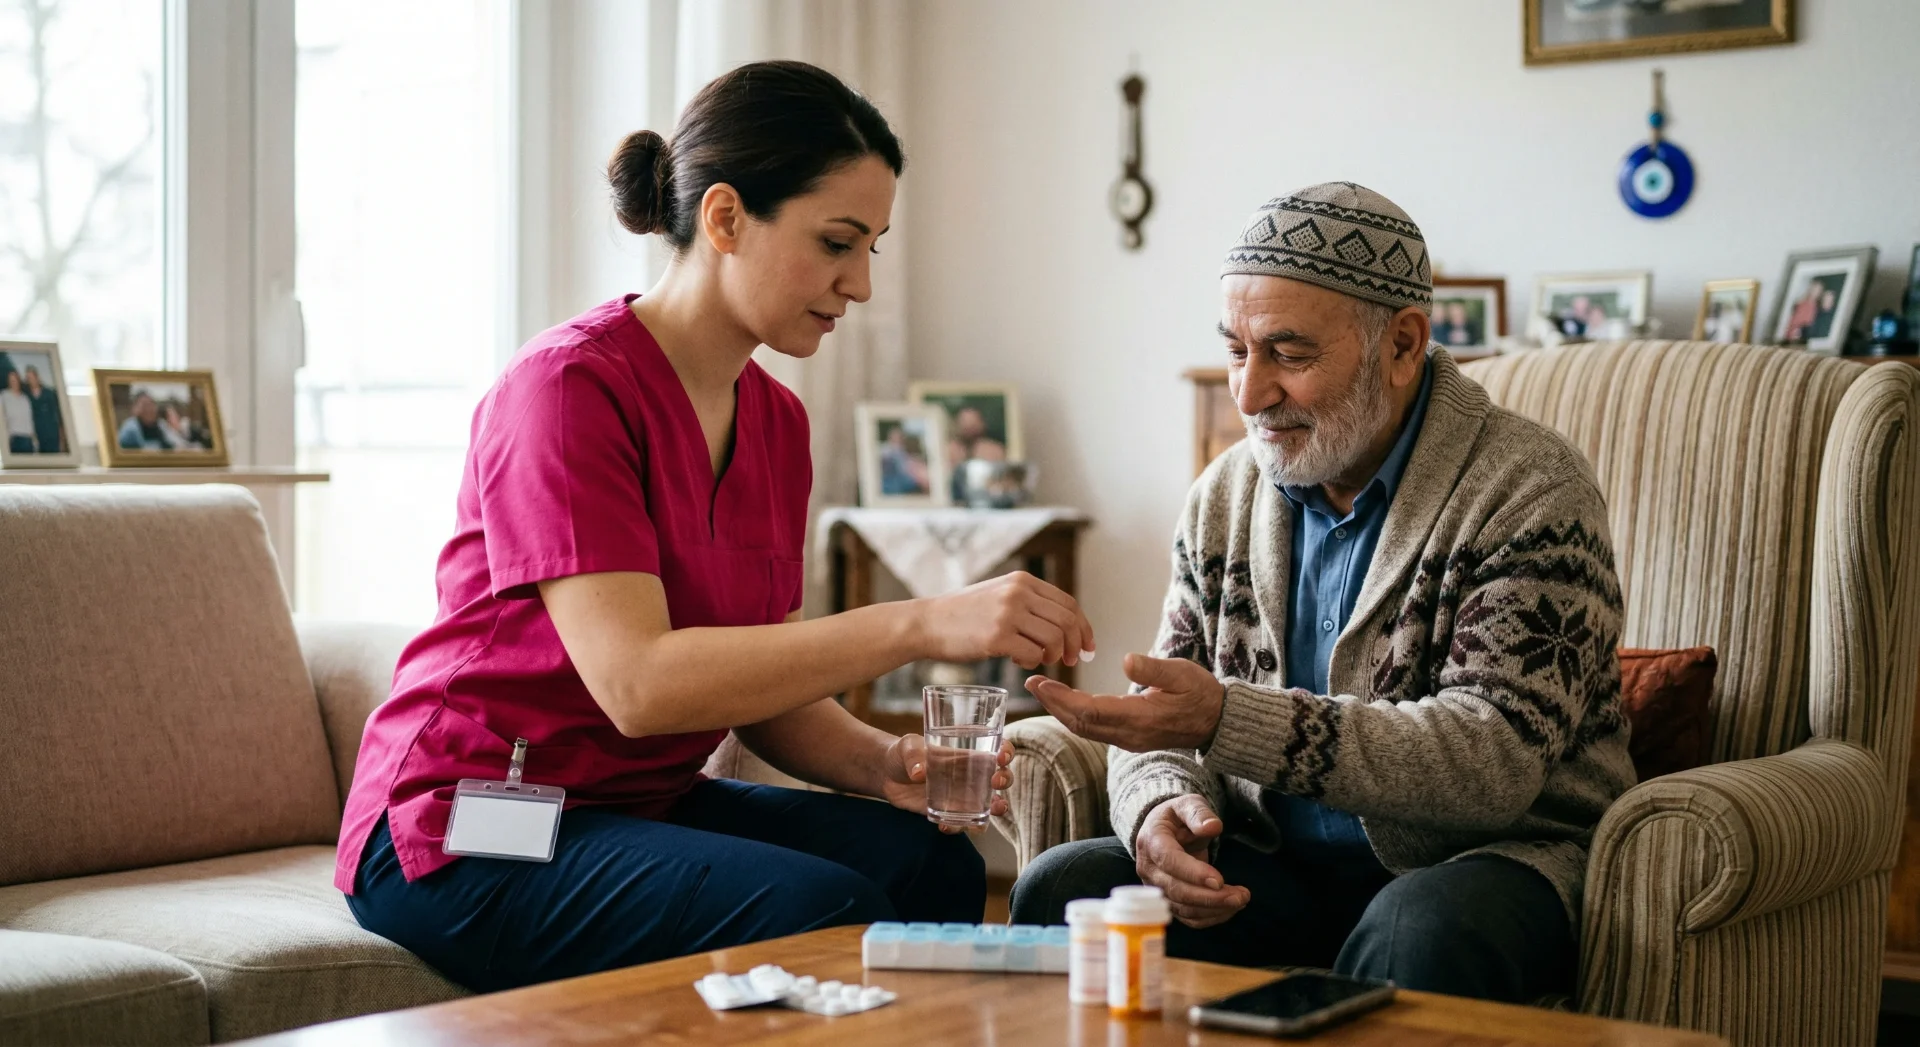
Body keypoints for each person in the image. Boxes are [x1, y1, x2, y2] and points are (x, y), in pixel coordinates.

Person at [337, 61, 1096, 994]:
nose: (859, 284)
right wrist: (923, 620)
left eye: (873, 248)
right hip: (472, 818)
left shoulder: (775, 421)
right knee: (817, 910)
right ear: (726, 218)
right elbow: (640, 686)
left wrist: (881, 761)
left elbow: (761, 676)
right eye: (836, 241)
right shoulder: (568, 390)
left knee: (930, 863)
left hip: (637, 804)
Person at [1012, 183, 1633, 1005]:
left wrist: (1225, 718)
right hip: (1276, 866)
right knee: (1070, 885)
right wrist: (1160, 808)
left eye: (1288, 354)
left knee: (1420, 927)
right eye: (1236, 350)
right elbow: (1162, 707)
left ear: (1403, 345)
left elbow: (1492, 760)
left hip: (1489, 863)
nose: (1248, 391)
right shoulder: (1223, 496)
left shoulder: (1528, 489)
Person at [22, 367, 63, 454]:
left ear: (37, 377)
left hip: (52, 433)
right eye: (28, 378)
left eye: (32, 377)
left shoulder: (49, 393)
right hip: (38, 435)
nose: (31, 380)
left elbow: (57, 415)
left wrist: (61, 436)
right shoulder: (27, 396)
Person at [0, 371, 34, 453]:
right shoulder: (4, 396)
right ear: (8, 382)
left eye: (15, 380)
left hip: (28, 439)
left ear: (18, 380)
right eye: (11, 380)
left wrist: (34, 441)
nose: (13, 382)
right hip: (14, 439)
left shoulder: (25, 398)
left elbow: (30, 419)